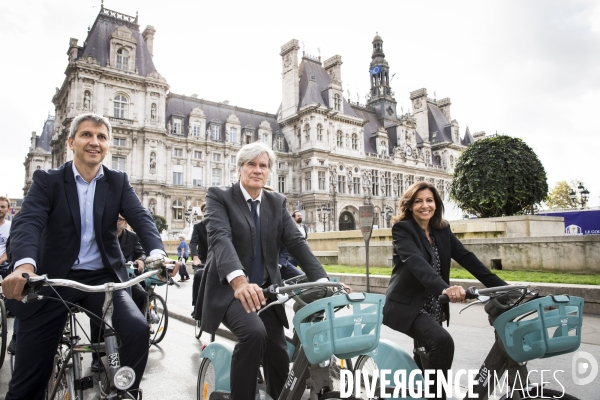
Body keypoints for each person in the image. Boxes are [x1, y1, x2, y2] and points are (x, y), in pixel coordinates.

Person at [2, 113, 169, 400]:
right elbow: (29, 222)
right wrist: (25, 267)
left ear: (108, 146)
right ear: (71, 142)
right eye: (87, 135)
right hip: (52, 279)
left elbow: (142, 218)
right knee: (28, 382)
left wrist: (157, 253)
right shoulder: (47, 180)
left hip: (102, 279)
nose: (95, 142)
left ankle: (125, 391)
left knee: (137, 330)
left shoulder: (118, 181)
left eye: (102, 137)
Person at [200, 142, 329, 400]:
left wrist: (324, 281)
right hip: (231, 292)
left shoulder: (276, 201)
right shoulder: (219, 197)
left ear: (269, 171)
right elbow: (221, 239)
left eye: (263, 165)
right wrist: (239, 282)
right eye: (251, 164)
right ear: (239, 169)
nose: (257, 170)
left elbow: (296, 242)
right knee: (253, 334)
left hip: (267, 293)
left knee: (278, 354)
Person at [382, 181, 506, 400]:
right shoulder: (403, 229)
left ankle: (421, 392)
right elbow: (416, 262)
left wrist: (502, 288)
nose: (425, 206)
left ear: (436, 204)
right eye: (418, 201)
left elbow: (467, 257)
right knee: (441, 341)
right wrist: (446, 289)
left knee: (427, 357)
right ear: (410, 206)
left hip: (434, 305)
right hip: (409, 306)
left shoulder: (441, 229)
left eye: (429, 200)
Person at [89, 214, 150, 372]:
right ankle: (97, 357)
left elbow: (141, 252)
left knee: (142, 295)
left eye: (121, 219)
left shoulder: (132, 237)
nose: (117, 222)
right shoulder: (100, 233)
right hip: (102, 279)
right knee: (97, 312)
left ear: (126, 222)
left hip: (124, 278)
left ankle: (137, 323)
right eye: (114, 218)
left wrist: (141, 260)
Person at [190, 204, 208, 309]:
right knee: (198, 275)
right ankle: (196, 305)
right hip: (203, 259)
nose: (207, 211)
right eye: (205, 210)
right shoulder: (198, 227)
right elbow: (193, 243)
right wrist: (195, 258)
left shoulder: (219, 225)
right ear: (202, 212)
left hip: (218, 259)